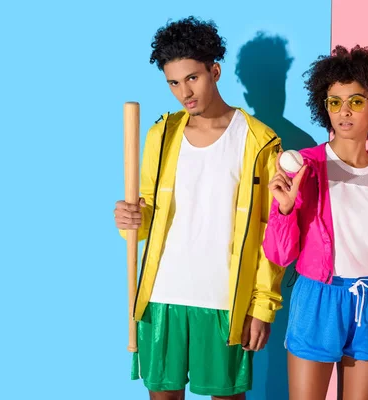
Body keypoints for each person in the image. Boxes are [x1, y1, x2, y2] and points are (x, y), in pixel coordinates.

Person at [114, 17, 284, 400]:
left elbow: (271, 231)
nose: (183, 92)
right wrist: (129, 220)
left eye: (192, 78)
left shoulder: (259, 141)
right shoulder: (162, 133)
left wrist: (262, 306)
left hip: (225, 302)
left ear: (215, 71)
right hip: (161, 297)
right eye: (173, 82)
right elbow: (147, 218)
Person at [262, 45, 368, 400]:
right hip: (317, 299)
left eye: (356, 101)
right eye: (334, 102)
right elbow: (280, 255)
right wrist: (283, 211)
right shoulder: (306, 167)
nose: (344, 112)